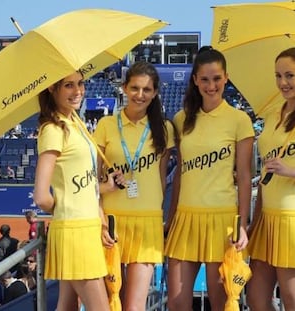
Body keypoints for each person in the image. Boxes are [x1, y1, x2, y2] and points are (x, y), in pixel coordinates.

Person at [164, 46, 254, 311]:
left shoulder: (239, 120)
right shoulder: (181, 119)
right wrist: (170, 218)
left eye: (216, 78)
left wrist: (242, 224)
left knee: (222, 303)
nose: (211, 85)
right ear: (195, 80)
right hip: (185, 218)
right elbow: (179, 173)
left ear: (226, 77)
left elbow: (246, 176)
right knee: (177, 303)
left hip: (222, 221)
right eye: (204, 79)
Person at [93, 60, 176, 310]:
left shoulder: (164, 128)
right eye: (135, 88)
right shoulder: (106, 125)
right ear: (125, 88)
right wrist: (101, 215)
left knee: (134, 306)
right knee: (111, 301)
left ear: (155, 92)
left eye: (147, 89)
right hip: (112, 223)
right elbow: (94, 179)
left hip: (147, 222)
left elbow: (163, 178)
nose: (140, 95)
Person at [33, 71, 110, 311]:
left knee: (67, 306)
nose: (78, 91)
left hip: (85, 228)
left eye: (80, 83)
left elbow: (87, 187)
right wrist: (66, 207)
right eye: (68, 85)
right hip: (74, 231)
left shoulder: (75, 122)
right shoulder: (53, 129)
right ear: (52, 90)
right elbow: (41, 196)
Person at [247, 47, 295, 311]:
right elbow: (266, 171)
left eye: (290, 75)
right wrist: (255, 218)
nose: (283, 83)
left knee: (291, 297)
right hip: (266, 217)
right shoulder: (273, 113)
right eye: (278, 76)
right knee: (256, 297)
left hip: (291, 219)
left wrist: (290, 170)